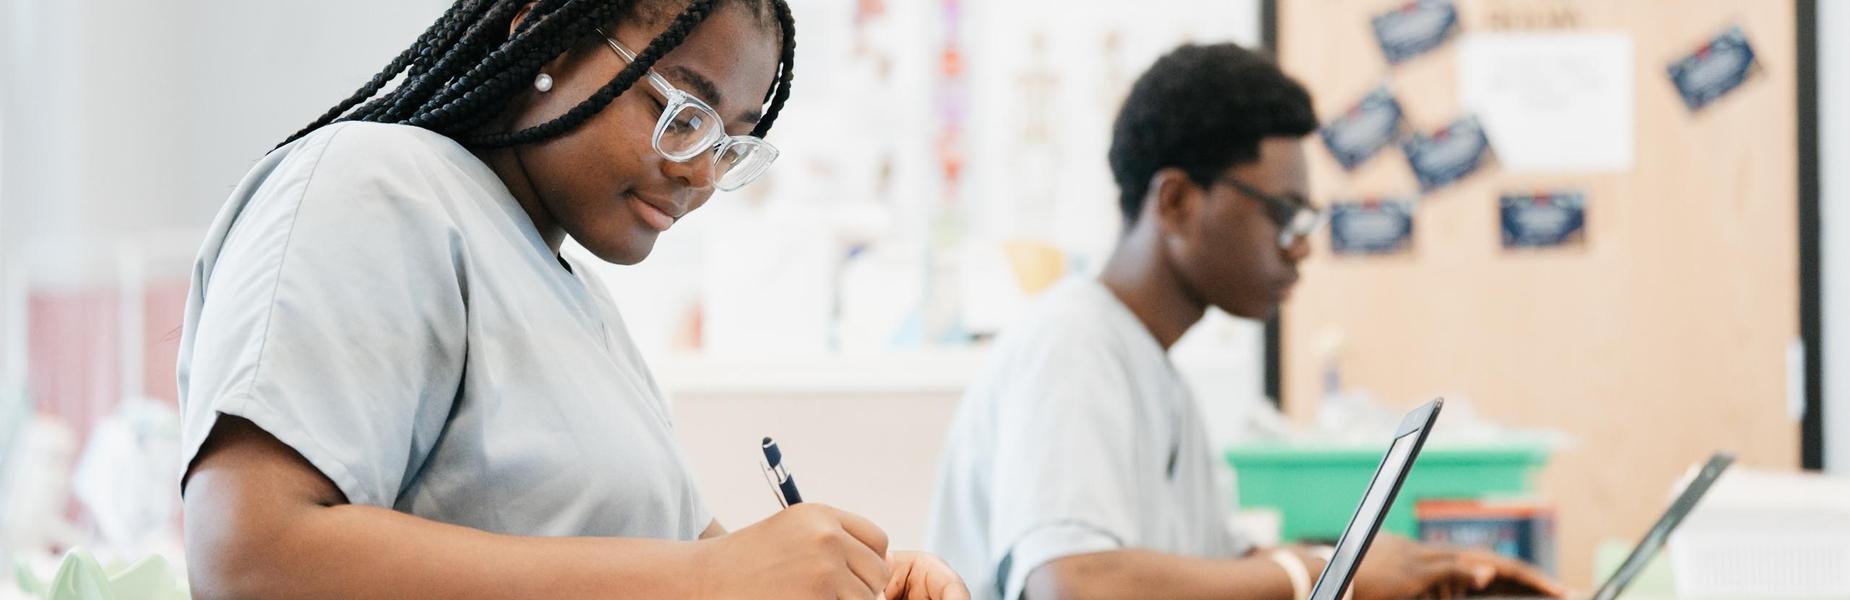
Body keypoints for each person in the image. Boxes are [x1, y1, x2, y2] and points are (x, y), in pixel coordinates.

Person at [177, 1, 967, 598]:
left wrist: (844, 577)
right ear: (545, 35)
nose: (700, 173)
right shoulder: (375, 185)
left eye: (729, 143)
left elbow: (685, 562)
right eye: (680, 113)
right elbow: (250, 558)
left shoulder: (577, 302)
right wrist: (708, 579)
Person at [922, 42, 1564, 600]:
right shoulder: (1072, 343)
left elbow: (1223, 569)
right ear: (1175, 202)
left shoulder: (1155, 372)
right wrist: (1313, 572)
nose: (1301, 245)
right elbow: (1073, 584)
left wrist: (1415, 568)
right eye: (1283, 214)